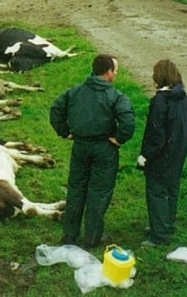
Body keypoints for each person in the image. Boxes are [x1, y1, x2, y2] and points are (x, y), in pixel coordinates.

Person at [50, 54, 135, 249]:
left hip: (80, 146)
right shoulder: (116, 96)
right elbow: (128, 121)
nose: (116, 75)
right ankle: (92, 238)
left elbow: (56, 109)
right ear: (108, 72)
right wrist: (120, 138)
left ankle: (70, 235)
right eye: (116, 71)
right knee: (99, 192)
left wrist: (65, 131)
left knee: (76, 189)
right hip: (105, 148)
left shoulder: (75, 92)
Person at [138, 59, 187, 247]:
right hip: (178, 153)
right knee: (172, 189)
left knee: (156, 192)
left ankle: (159, 236)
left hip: (162, 156)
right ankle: (166, 225)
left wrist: (145, 156)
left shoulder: (160, 101)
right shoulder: (184, 99)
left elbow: (155, 134)